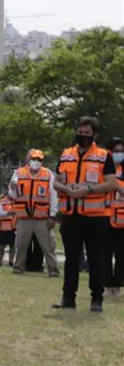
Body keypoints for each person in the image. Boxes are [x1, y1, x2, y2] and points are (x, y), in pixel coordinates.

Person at [53, 117, 118, 312]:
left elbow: (111, 183)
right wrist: (66, 188)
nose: (82, 137)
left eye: (87, 134)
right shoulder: (66, 155)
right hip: (71, 215)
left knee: (95, 259)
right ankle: (68, 299)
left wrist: (87, 190)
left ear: (94, 135)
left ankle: (96, 299)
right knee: (71, 259)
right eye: (80, 133)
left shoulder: (103, 156)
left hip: (96, 217)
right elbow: (55, 181)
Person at [9, 149, 60, 277]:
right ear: (28, 159)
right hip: (23, 217)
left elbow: (54, 196)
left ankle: (53, 270)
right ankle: (18, 268)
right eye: (34, 158)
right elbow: (12, 194)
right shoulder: (18, 173)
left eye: (39, 159)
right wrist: (12, 189)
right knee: (20, 245)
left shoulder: (48, 175)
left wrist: (52, 215)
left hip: (42, 217)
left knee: (48, 246)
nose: (36, 162)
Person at [104, 138, 124, 296]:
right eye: (116, 151)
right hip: (105, 217)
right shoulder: (104, 170)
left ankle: (117, 285)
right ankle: (107, 285)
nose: (119, 154)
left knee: (121, 255)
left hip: (122, 220)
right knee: (105, 254)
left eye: (121, 151)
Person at [0, 193, 16, 267]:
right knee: (1, 246)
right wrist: (9, 212)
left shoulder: (15, 200)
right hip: (4, 227)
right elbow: (0, 213)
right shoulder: (2, 201)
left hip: (14, 227)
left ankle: (11, 262)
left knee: (13, 245)